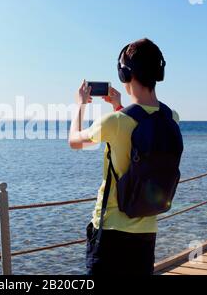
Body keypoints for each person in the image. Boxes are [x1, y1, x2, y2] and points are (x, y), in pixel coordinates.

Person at [68, 38, 180, 275]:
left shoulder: (115, 123)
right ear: (158, 73)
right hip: (146, 232)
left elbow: (75, 141)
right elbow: (138, 131)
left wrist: (79, 105)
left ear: (124, 74)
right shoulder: (172, 118)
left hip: (109, 234)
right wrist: (119, 106)